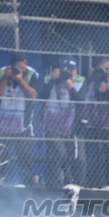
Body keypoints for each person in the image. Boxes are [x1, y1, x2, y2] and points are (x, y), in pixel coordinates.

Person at [78, 57, 109, 187]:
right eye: (101, 69)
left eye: (107, 69)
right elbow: (78, 99)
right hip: (92, 128)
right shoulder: (89, 83)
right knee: (93, 163)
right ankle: (94, 189)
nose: (105, 72)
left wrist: (106, 92)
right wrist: (89, 79)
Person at [0, 51, 39, 184]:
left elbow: (33, 95)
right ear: (11, 66)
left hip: (22, 126)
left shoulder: (31, 74)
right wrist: (6, 78)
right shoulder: (2, 73)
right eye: (17, 67)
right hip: (2, 125)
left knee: (24, 161)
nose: (20, 70)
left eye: (23, 67)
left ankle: (26, 188)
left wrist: (20, 79)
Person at [39, 57, 84, 187]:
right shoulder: (50, 79)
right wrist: (52, 81)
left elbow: (81, 103)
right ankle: (53, 186)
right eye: (64, 69)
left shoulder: (80, 81)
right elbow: (42, 98)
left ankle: (72, 184)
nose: (67, 72)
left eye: (70, 70)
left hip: (72, 127)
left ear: (75, 71)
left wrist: (71, 88)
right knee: (57, 155)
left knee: (75, 158)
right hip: (52, 126)